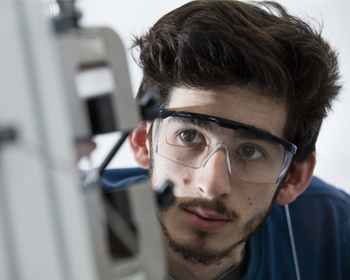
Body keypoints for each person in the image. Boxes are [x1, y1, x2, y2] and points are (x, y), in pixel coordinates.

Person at [102, 1, 350, 279]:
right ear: (141, 141)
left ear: (293, 177)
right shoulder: (61, 222)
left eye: (250, 150)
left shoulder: (336, 229)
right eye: (189, 136)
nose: (211, 186)